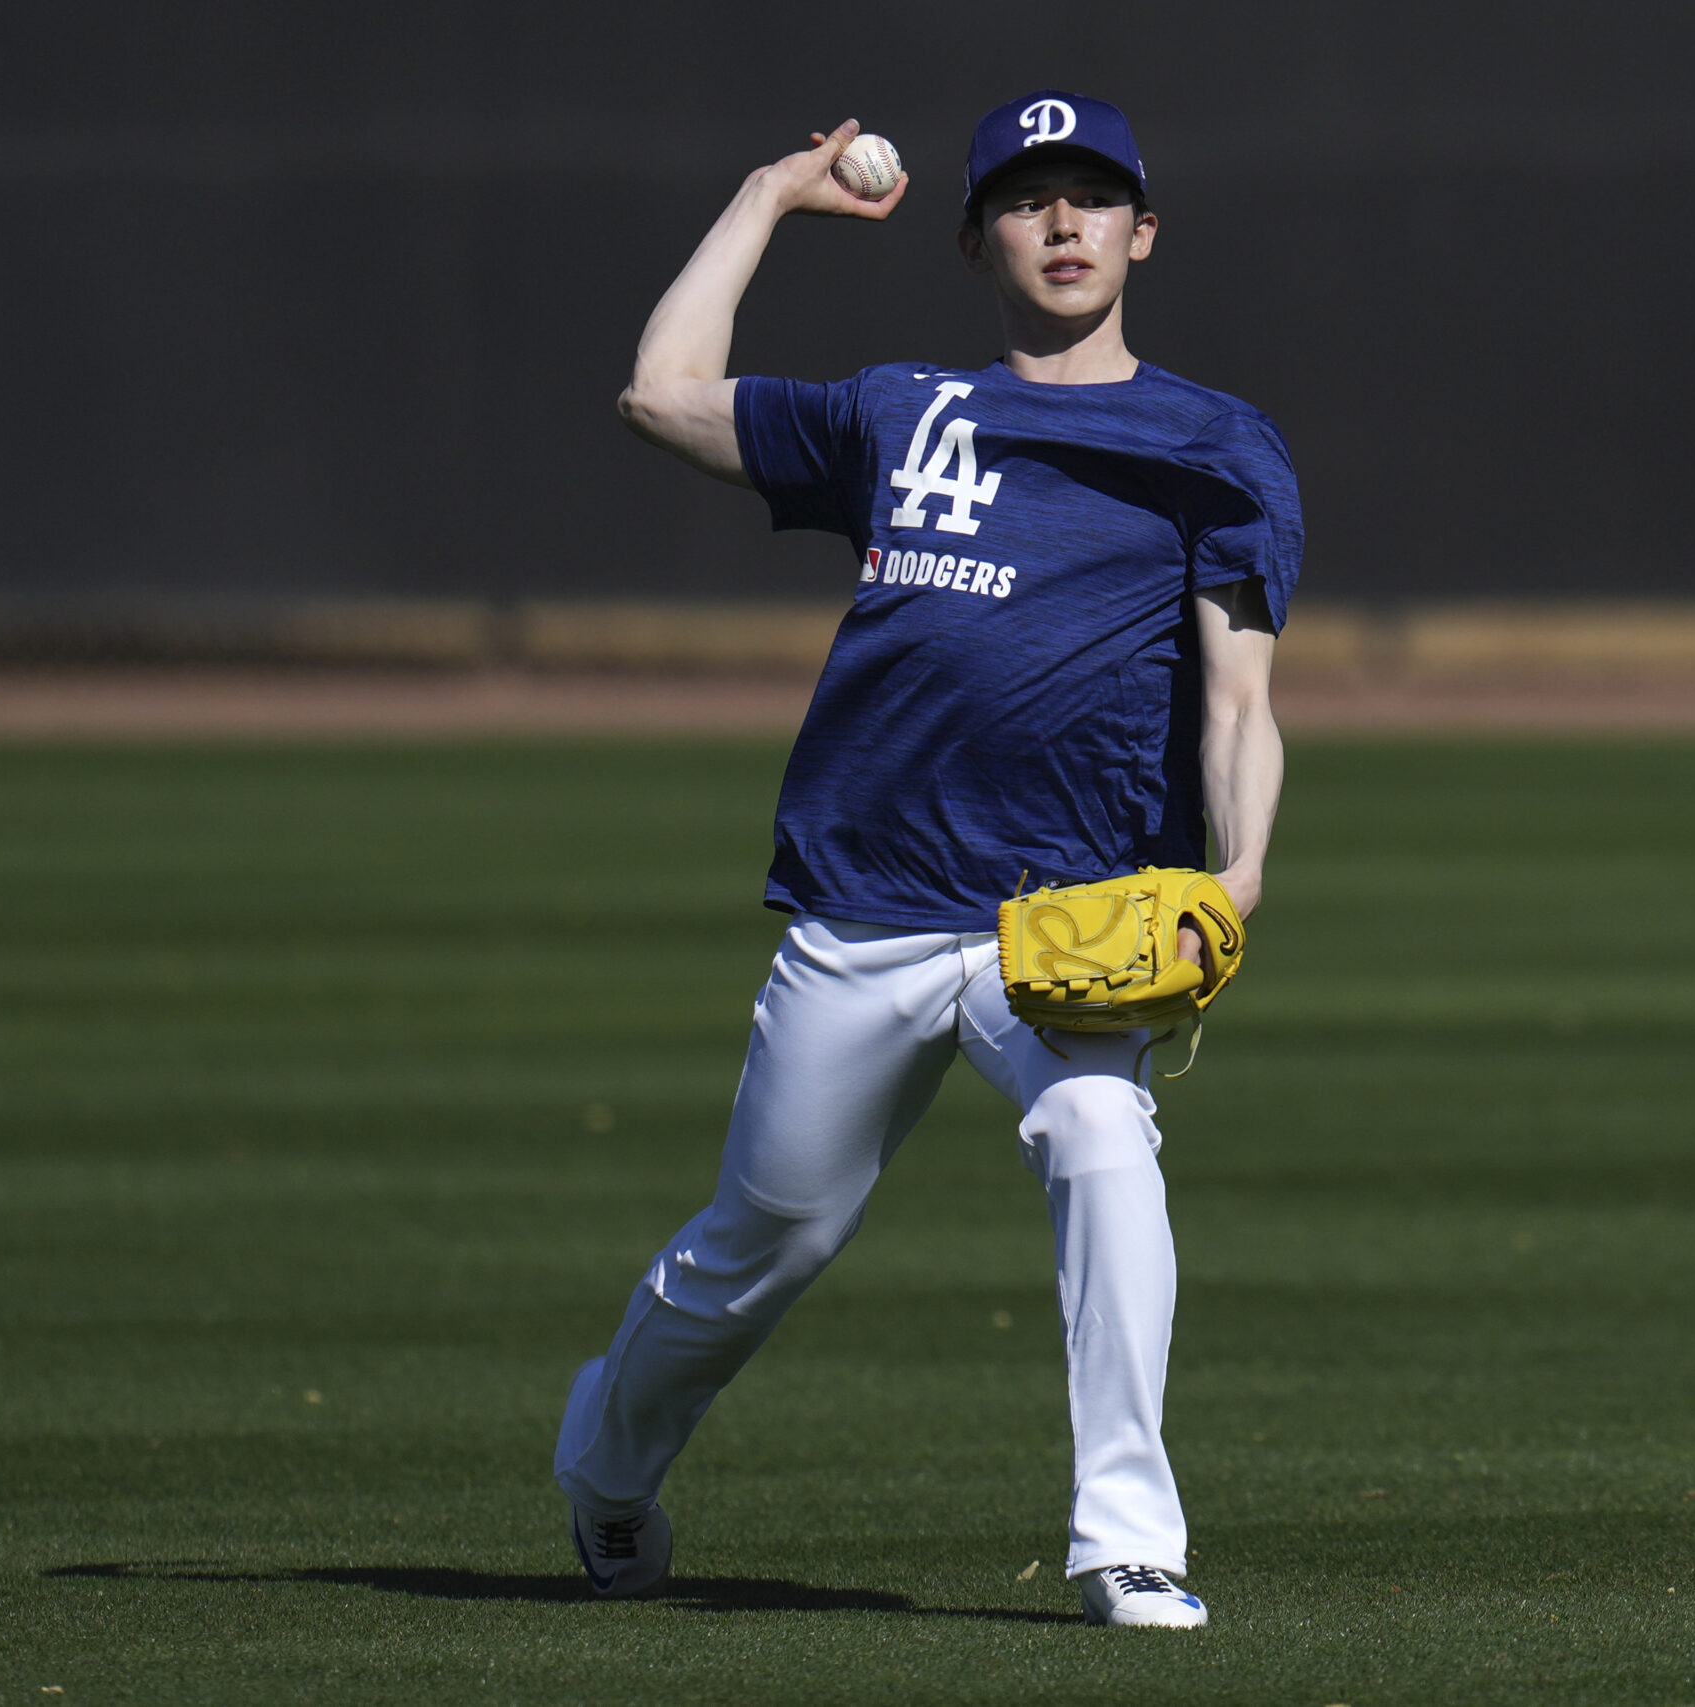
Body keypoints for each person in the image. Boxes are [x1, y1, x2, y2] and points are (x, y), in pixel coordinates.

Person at [551, 90, 1299, 1630]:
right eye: (1031, 201)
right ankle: (607, 1469)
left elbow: (1241, 703)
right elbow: (658, 391)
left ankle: (1128, 1541)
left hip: (1069, 918)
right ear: (979, 241)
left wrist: (1240, 878)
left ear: (1144, 233)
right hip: (869, 908)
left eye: (1095, 198)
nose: (1066, 223)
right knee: (766, 1236)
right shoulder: (898, 409)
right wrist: (766, 194)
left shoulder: (1216, 446)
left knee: (1105, 1145)